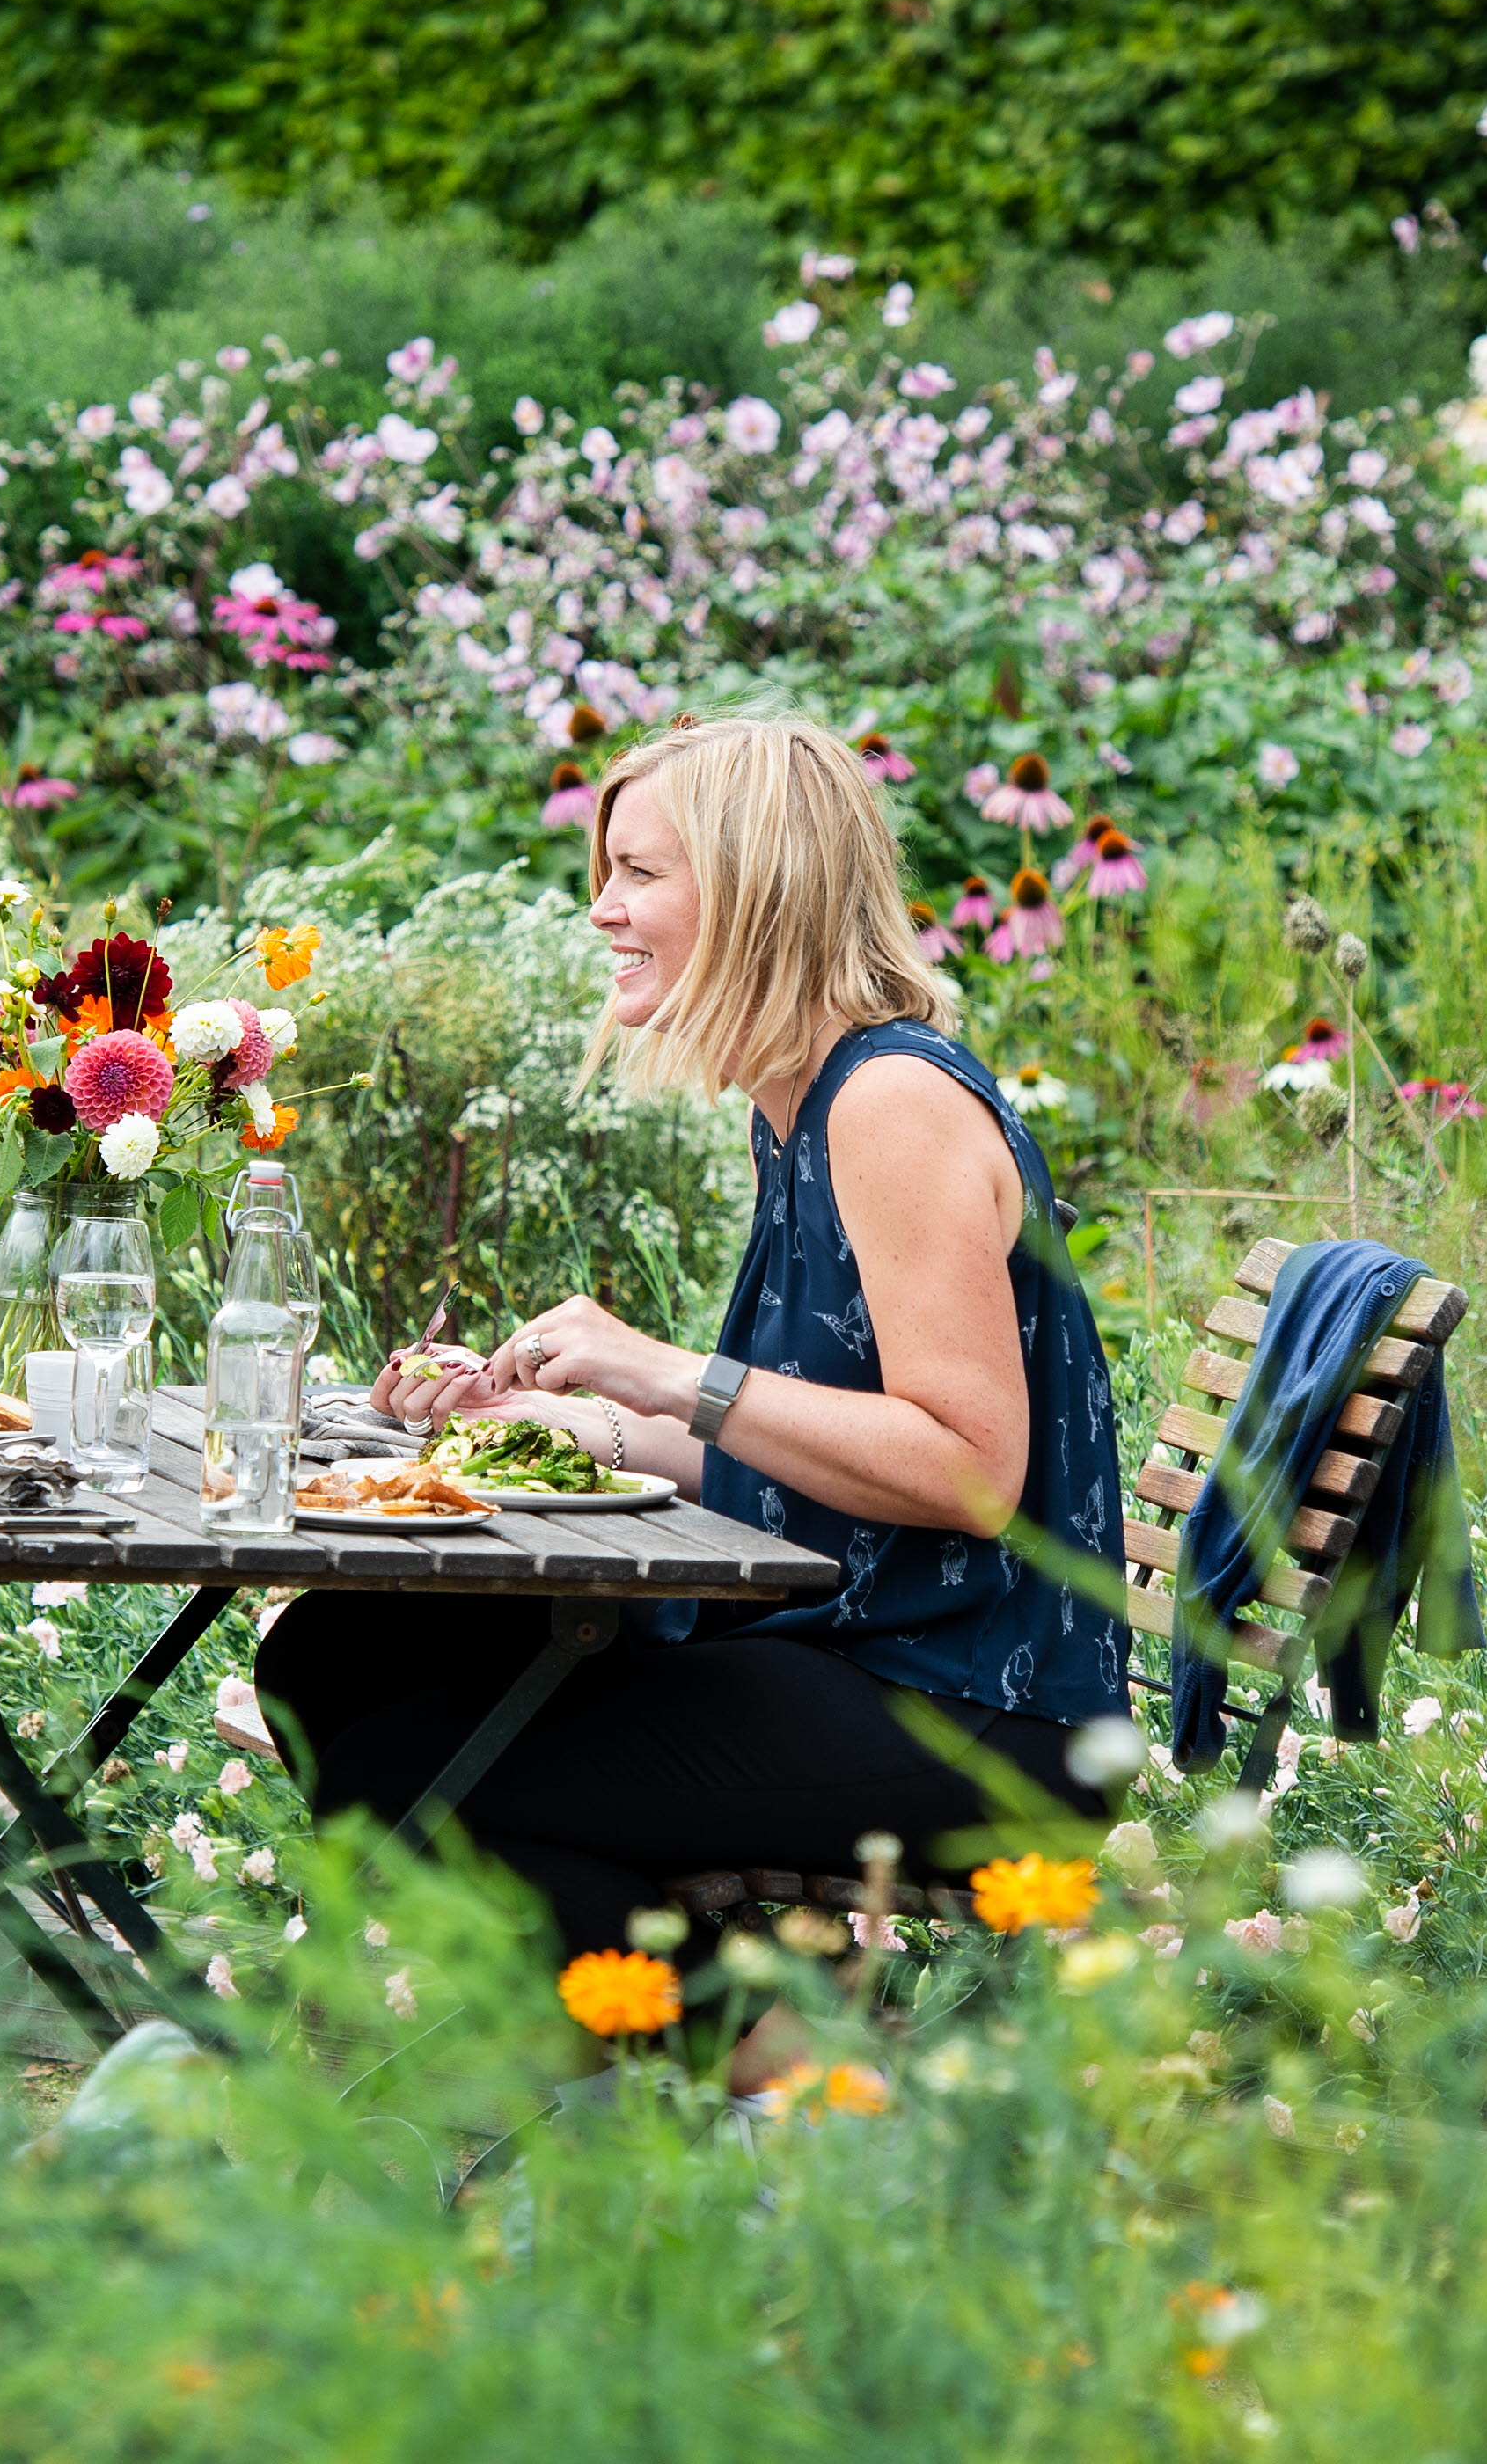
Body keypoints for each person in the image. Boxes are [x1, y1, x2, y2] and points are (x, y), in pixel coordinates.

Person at [260, 713, 1130, 1963]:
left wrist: (670, 1370)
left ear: (755, 890)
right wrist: (568, 1423)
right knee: (335, 1661)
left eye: (640, 874)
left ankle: (764, 2066)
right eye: (606, 873)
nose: (603, 909)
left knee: (403, 1769)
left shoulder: (889, 1104)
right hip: (863, 1644)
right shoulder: (802, 1101)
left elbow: (966, 1472)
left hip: (970, 1712)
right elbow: (817, 1446)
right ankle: (679, 2038)